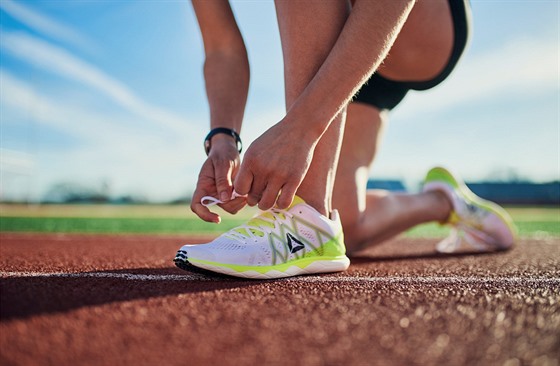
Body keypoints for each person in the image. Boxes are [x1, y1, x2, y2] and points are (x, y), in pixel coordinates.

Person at [174, 0, 516, 279]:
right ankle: (445, 202)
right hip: (340, 56)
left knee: (314, 217)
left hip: (412, 27)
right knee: (344, 226)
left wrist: (301, 128)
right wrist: (223, 139)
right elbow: (222, 49)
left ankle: (305, 218)